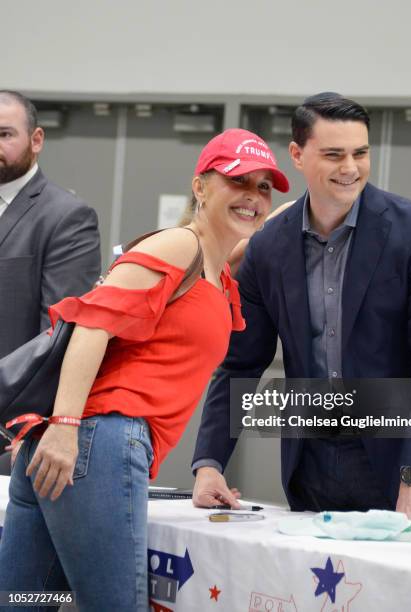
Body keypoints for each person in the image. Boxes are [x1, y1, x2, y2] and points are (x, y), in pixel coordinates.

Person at [0, 128, 289, 611]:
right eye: (238, 181)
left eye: (263, 186)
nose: (253, 197)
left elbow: (279, 218)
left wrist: (336, 185)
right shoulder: (179, 247)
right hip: (92, 445)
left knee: (27, 602)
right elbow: (91, 325)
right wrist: (67, 426)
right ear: (200, 187)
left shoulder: (216, 269)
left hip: (71, 454)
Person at [192, 93, 411, 535]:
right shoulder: (269, 245)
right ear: (297, 155)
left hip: (400, 467)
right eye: (334, 154)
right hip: (311, 469)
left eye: (360, 153)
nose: (350, 168)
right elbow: (241, 362)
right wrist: (209, 462)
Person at [0, 91, 101, 465]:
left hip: (10, 432)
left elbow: (58, 336)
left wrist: (26, 427)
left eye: (5, 134)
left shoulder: (66, 217)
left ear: (36, 140)